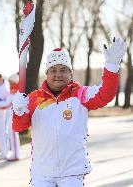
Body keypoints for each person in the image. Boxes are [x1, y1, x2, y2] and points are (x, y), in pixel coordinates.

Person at [12, 38, 126, 187]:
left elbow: (105, 95)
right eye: (53, 70)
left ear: (70, 73)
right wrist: (18, 112)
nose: (58, 74)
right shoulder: (34, 99)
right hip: (43, 172)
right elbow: (19, 127)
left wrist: (111, 67)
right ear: (47, 73)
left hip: (72, 171)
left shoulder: (80, 94)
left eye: (63, 70)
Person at [0, 73, 20, 161]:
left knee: (13, 135)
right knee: (12, 134)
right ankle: (14, 153)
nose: (9, 83)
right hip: (10, 113)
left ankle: (15, 155)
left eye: (10, 81)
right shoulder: (13, 90)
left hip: (13, 114)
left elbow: (6, 103)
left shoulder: (14, 90)